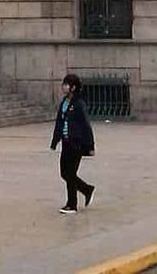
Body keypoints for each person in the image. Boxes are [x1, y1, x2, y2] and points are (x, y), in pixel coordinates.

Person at [50, 73, 96, 214]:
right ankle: (86, 189)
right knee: (64, 173)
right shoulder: (64, 102)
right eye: (63, 84)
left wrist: (90, 146)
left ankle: (72, 204)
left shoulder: (79, 104)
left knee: (70, 173)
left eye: (66, 84)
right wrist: (55, 141)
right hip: (66, 142)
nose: (63, 87)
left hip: (76, 143)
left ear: (73, 87)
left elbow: (86, 126)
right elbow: (59, 123)